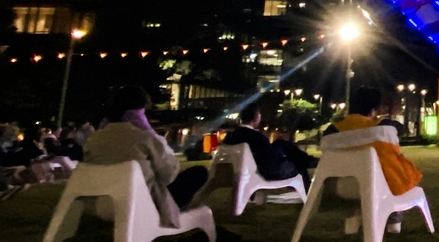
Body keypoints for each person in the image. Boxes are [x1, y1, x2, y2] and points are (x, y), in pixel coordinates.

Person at [84, 86, 208, 227]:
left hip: (103, 207)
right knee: (198, 173)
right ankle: (178, 210)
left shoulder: (94, 139)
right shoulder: (145, 138)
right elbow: (169, 175)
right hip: (140, 207)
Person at [327, 87, 422, 233]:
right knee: (395, 170)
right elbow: (395, 154)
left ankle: (353, 216)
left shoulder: (332, 131)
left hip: (340, 188)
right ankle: (393, 219)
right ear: (374, 109)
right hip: (378, 186)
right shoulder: (382, 128)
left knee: (358, 178)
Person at [221, 103, 318, 189]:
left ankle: (308, 161)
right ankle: (309, 164)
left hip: (238, 172)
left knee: (282, 145)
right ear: (256, 117)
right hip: (265, 173)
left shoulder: (229, 137)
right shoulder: (256, 137)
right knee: (293, 157)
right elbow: (269, 160)